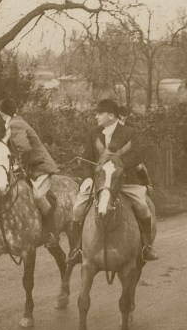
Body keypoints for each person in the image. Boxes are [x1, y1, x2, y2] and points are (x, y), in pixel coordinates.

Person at [67, 98, 158, 264]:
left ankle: (146, 247)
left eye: (99, 113)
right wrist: (87, 178)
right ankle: (77, 249)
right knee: (77, 209)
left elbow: (136, 156)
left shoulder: (129, 132)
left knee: (143, 207)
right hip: (100, 183)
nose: (96, 116)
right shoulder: (94, 133)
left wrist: (118, 166)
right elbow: (87, 158)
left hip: (125, 181)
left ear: (111, 115)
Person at [0, 98, 60, 247]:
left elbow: (25, 149)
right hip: (31, 168)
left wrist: (21, 166)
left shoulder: (14, 125)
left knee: (37, 196)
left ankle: (51, 234)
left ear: (2, 114)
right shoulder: (17, 122)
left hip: (41, 168)